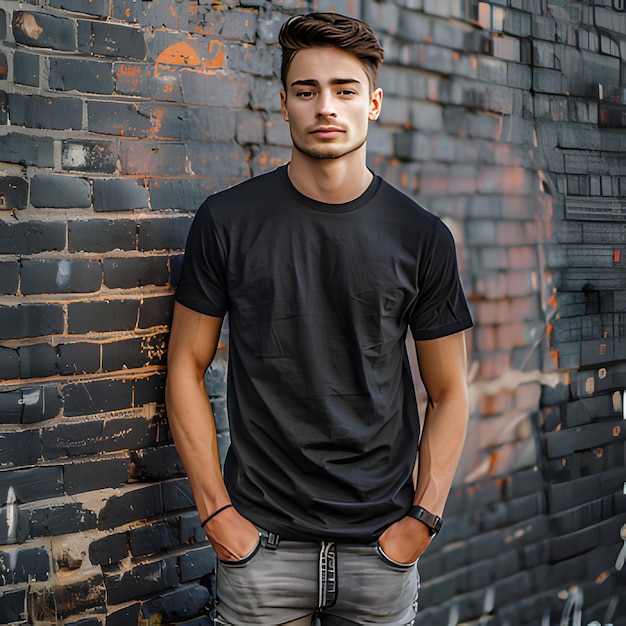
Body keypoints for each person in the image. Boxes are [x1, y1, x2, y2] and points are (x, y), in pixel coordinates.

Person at [165, 11, 473, 626]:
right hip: (261, 548)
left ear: (374, 104)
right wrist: (216, 514)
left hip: (381, 551)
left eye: (344, 90)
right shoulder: (227, 222)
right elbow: (184, 367)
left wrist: (422, 522)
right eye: (306, 91)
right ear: (283, 103)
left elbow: (450, 392)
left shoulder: (422, 237)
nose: (324, 106)